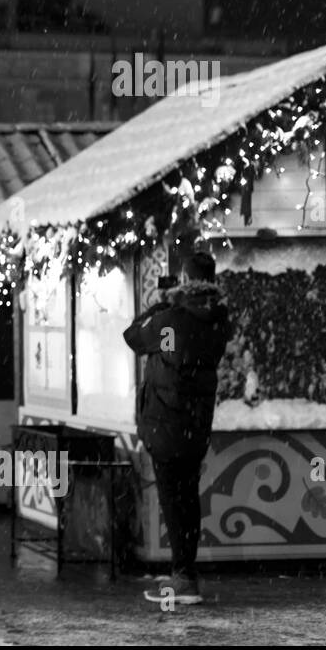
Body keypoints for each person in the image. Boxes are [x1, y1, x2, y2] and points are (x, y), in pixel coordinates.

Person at [122, 251, 232, 607]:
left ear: (184, 280)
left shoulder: (170, 321)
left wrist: (159, 306)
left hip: (166, 425)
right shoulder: (217, 321)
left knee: (174, 503)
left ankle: (183, 579)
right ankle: (185, 573)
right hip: (194, 427)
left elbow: (133, 336)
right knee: (187, 501)